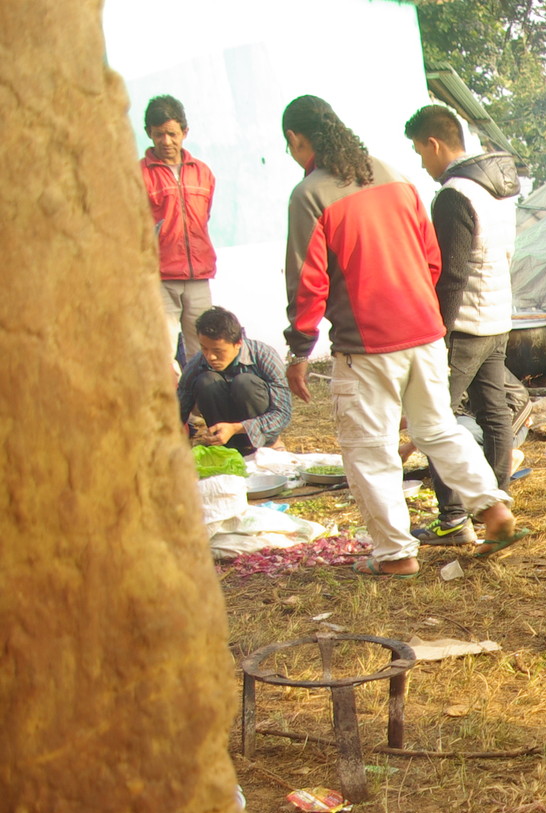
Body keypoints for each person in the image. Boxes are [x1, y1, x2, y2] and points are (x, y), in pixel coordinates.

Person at [280, 95, 525, 577]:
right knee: (437, 428)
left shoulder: (310, 193)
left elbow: (308, 279)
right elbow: (431, 256)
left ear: (296, 139)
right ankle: (493, 508)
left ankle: (395, 554)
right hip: (424, 330)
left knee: (369, 448)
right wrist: (425, 314)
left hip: (367, 342)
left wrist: (299, 347)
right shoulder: (393, 175)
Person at [403, 104, 522, 546]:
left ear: (434, 144)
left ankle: (453, 518)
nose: (421, 162)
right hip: (497, 317)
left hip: (466, 324)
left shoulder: (455, 193)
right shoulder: (498, 188)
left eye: (419, 152)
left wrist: (437, 331)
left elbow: (451, 274)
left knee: (436, 420)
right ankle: (498, 501)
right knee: (495, 414)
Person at [140, 95, 216, 362]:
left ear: (185, 132)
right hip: (159, 278)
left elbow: (203, 218)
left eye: (172, 133)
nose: (166, 141)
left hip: (198, 278)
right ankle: (169, 405)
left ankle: (201, 406)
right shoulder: (137, 176)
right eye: (159, 134)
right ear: (149, 133)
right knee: (162, 354)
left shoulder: (203, 173)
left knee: (204, 351)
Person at [177, 307, 291, 454]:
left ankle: (270, 445)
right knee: (206, 381)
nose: (210, 356)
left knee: (244, 383)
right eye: (204, 348)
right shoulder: (197, 363)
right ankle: (225, 446)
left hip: (260, 436)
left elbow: (282, 413)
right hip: (222, 436)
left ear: (238, 343)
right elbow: (177, 411)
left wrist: (237, 428)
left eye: (218, 351)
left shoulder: (265, 356)